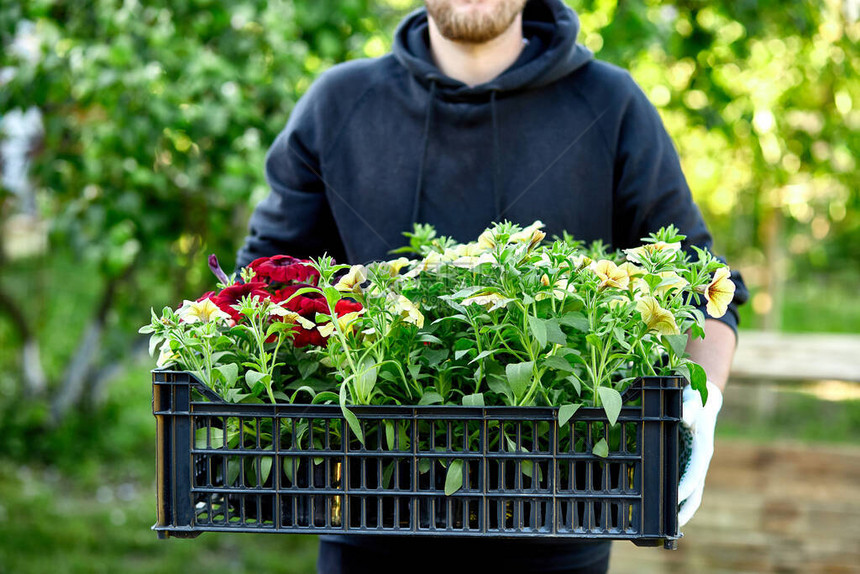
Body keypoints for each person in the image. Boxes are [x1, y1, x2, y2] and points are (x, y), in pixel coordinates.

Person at [235, 0, 748, 571]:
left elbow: (701, 284)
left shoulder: (609, 103)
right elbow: (260, 281)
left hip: (561, 523)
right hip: (367, 520)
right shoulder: (340, 104)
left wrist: (704, 404)